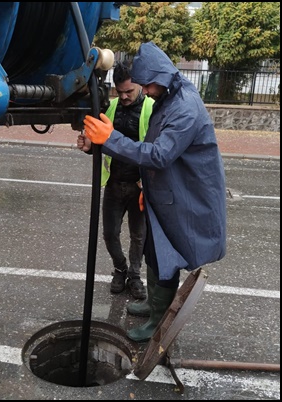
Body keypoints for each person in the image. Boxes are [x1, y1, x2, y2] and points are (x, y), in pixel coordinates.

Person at [83, 42, 226, 342]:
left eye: (147, 85)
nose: (145, 91)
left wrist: (109, 138)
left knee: (165, 255)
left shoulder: (184, 106)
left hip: (183, 196)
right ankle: (155, 304)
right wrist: (144, 186)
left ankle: (159, 322)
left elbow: (160, 154)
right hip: (163, 192)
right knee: (153, 249)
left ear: (159, 77)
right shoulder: (170, 94)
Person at [77, 61, 153, 299]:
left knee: (139, 236)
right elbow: (101, 143)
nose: (124, 96)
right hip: (114, 183)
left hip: (139, 186)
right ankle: (120, 269)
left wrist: (148, 181)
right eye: (119, 92)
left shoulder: (152, 108)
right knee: (110, 234)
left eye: (129, 91)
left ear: (139, 85)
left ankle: (135, 275)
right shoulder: (110, 109)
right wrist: (89, 148)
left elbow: (157, 151)